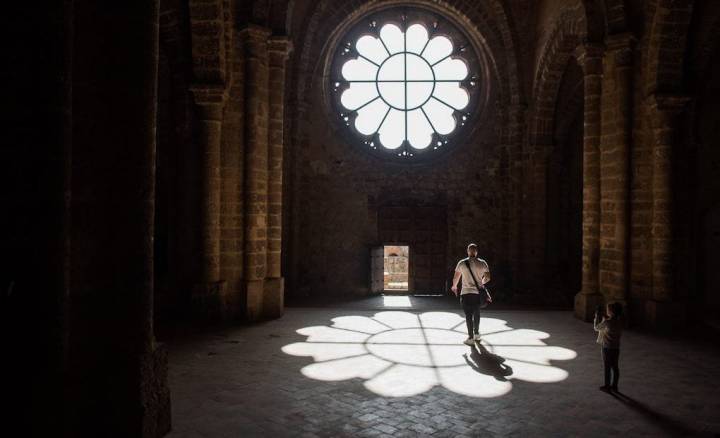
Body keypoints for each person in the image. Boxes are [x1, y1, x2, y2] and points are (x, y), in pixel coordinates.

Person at [451, 243, 492, 346]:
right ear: (476, 252)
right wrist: (480, 283)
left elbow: (456, 278)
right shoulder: (483, 263)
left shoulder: (462, 263)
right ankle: (477, 333)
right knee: (477, 313)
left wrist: (454, 287)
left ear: (468, 251)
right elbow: (487, 278)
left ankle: (470, 338)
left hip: (465, 293)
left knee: (468, 315)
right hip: (477, 293)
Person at [594, 302, 623, 392]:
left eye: (608, 309)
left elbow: (596, 328)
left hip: (606, 348)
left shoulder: (607, 322)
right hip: (616, 348)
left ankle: (607, 386)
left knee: (607, 367)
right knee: (615, 367)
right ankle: (614, 386)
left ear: (611, 312)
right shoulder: (619, 322)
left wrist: (596, 318)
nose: (607, 310)